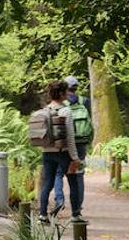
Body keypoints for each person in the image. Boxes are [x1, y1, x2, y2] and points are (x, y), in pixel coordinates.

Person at [34, 80, 83, 222]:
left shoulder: (45, 111)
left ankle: (42, 215)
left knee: (47, 183)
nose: (68, 94)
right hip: (64, 153)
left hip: (47, 153)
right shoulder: (66, 111)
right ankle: (75, 214)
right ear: (62, 93)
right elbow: (70, 137)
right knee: (73, 182)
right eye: (66, 91)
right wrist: (75, 157)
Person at [51, 76, 95, 216]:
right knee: (78, 174)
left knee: (58, 172)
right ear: (76, 87)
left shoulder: (61, 102)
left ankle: (59, 200)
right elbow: (89, 121)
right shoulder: (84, 101)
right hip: (81, 141)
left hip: (64, 142)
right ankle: (77, 208)